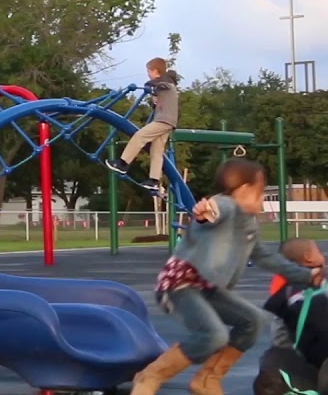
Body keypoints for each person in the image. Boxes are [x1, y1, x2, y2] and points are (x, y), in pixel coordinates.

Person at [128, 158, 322, 395]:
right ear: (243, 191)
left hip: (208, 288)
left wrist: (307, 275)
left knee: (253, 321)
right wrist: (203, 212)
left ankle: (208, 378)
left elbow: (265, 258)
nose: (262, 201)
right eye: (260, 193)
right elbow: (211, 212)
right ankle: (152, 375)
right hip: (179, 285)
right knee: (214, 335)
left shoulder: (249, 223)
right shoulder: (226, 206)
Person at [253, 239, 328, 395]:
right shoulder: (302, 288)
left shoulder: (286, 284)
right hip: (302, 359)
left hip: (283, 355)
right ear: (308, 258)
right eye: (319, 252)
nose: (323, 255)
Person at [106, 57, 182, 194]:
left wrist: (151, 85)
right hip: (168, 120)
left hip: (164, 120)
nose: (148, 74)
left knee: (140, 136)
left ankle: (123, 163)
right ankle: (154, 180)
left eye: (149, 71)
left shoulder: (166, 83)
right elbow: (159, 96)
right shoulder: (165, 85)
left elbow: (161, 84)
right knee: (157, 150)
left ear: (155, 71)